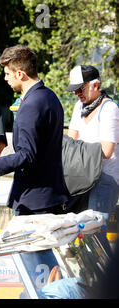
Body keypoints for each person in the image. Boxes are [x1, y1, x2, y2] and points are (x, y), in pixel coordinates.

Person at [0, 45, 69, 215]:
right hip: (50, 195)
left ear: (20, 74)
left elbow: (26, 155)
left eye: (7, 73)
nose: (5, 78)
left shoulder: (31, 104)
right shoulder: (50, 96)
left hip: (35, 200)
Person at [66, 65, 118, 254]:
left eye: (81, 88)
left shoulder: (109, 109)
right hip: (83, 177)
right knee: (78, 233)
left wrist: (77, 149)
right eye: (74, 90)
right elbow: (71, 141)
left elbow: (105, 151)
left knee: (95, 232)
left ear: (96, 85)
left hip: (105, 178)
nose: (77, 93)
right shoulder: (79, 106)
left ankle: (108, 281)